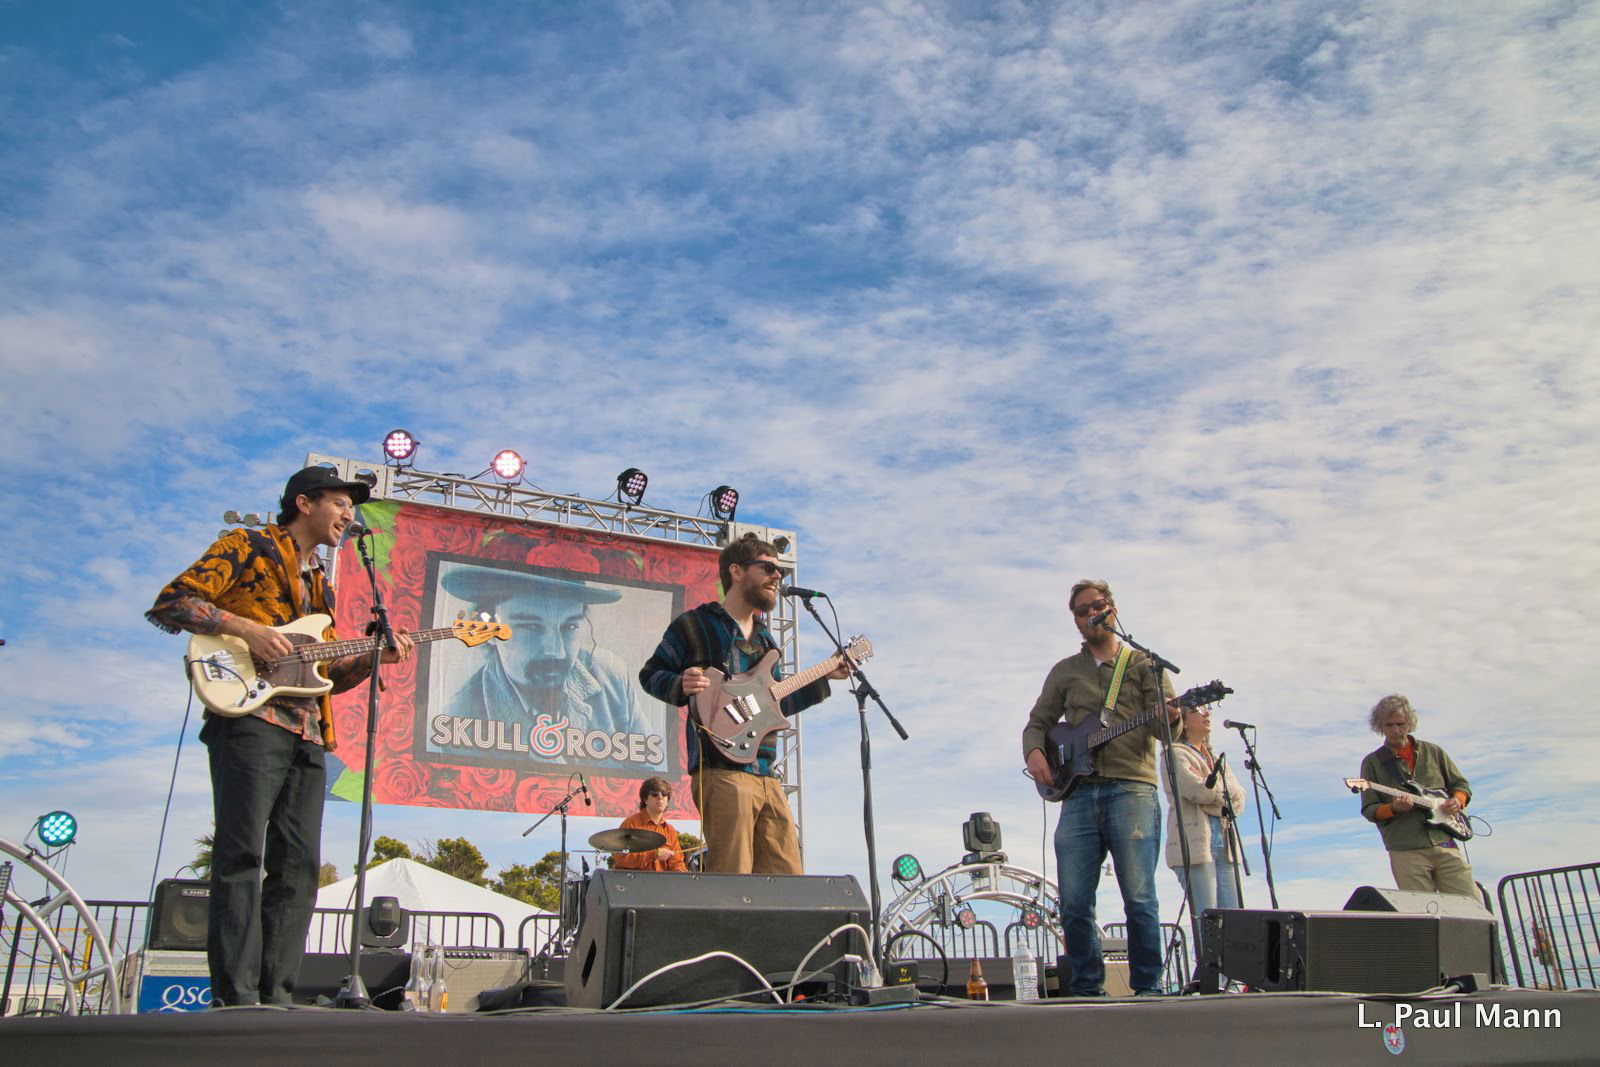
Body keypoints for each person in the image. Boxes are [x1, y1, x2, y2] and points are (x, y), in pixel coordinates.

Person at [147, 466, 414, 1006]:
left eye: (351, 508)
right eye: (340, 503)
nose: (348, 515)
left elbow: (323, 674)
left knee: (298, 867)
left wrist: (373, 657)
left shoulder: (322, 586)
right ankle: (236, 996)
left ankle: (277, 995)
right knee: (242, 854)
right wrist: (246, 629)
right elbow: (173, 601)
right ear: (304, 503)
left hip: (308, 732)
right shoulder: (247, 546)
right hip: (249, 719)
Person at [638, 533, 849, 874]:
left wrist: (825, 677)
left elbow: (776, 705)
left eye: (780, 571)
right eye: (768, 568)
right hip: (721, 769)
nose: (777, 577)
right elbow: (650, 674)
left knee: (788, 878)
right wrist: (679, 684)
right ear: (736, 571)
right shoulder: (695, 624)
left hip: (766, 773)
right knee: (733, 878)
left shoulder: (766, 640)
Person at [1022, 578, 1178, 996]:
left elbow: (1168, 732)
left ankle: (1149, 988)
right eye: (1081, 610)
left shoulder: (1145, 664)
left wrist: (1173, 716)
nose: (1090, 613)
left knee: (1139, 897)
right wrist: (1034, 752)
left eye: (1097, 605)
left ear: (1112, 609)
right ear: (1075, 620)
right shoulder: (1065, 671)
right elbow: (1038, 723)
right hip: (1077, 794)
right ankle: (1087, 989)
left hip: (1132, 789)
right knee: (1074, 901)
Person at [435, 567, 648, 760]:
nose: (557, 652)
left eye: (570, 627)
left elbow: (648, 772)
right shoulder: (458, 716)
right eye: (531, 627)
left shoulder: (611, 678)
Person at [1358, 694, 1478, 899]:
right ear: (1380, 726)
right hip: (1406, 850)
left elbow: (1461, 785)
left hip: (1445, 842)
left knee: (1471, 904)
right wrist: (1393, 808)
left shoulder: (1433, 751)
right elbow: (1370, 810)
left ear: (1410, 723)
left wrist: (1457, 800)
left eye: (1400, 724)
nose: (1396, 730)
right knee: (1423, 910)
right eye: (1389, 725)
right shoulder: (1372, 763)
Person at [1161, 703, 1247, 915]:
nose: (1206, 713)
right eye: (1197, 711)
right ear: (1184, 723)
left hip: (1224, 846)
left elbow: (1239, 798)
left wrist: (1212, 789)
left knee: (1233, 919)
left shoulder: (1214, 757)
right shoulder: (1174, 754)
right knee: (1207, 919)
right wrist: (1221, 798)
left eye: (1207, 710)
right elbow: (1199, 791)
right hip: (1195, 845)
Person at [611, 777, 689, 873]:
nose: (660, 797)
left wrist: (681, 873)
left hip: (662, 881)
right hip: (634, 880)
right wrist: (654, 854)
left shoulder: (670, 830)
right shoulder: (631, 824)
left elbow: (677, 862)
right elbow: (621, 858)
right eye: (655, 794)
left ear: (668, 800)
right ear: (645, 799)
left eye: (664, 794)